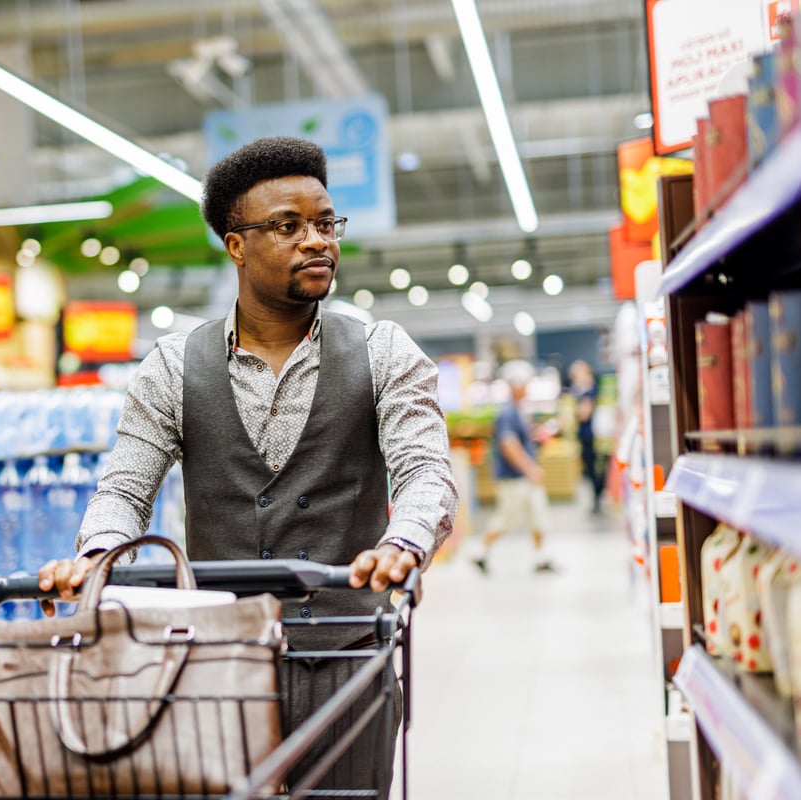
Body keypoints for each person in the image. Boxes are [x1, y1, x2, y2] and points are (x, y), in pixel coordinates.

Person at [38, 136, 458, 793]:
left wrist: (401, 543)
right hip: (216, 664)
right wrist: (98, 556)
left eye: (324, 223)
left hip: (347, 655)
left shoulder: (382, 352)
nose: (316, 241)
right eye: (287, 226)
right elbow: (124, 487)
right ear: (235, 244)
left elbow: (423, 467)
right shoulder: (173, 367)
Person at [471, 360, 556, 574]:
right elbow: (509, 445)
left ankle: (541, 558)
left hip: (525, 477)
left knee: (538, 515)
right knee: (507, 519)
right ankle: (480, 552)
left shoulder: (518, 411)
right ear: (517, 385)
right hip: (514, 477)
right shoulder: (507, 413)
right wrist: (530, 469)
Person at [569, 359, 605, 514]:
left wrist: (574, 412)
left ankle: (598, 498)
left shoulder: (587, 390)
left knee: (593, 469)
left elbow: (584, 414)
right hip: (589, 435)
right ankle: (597, 498)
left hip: (591, 436)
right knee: (592, 469)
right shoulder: (582, 390)